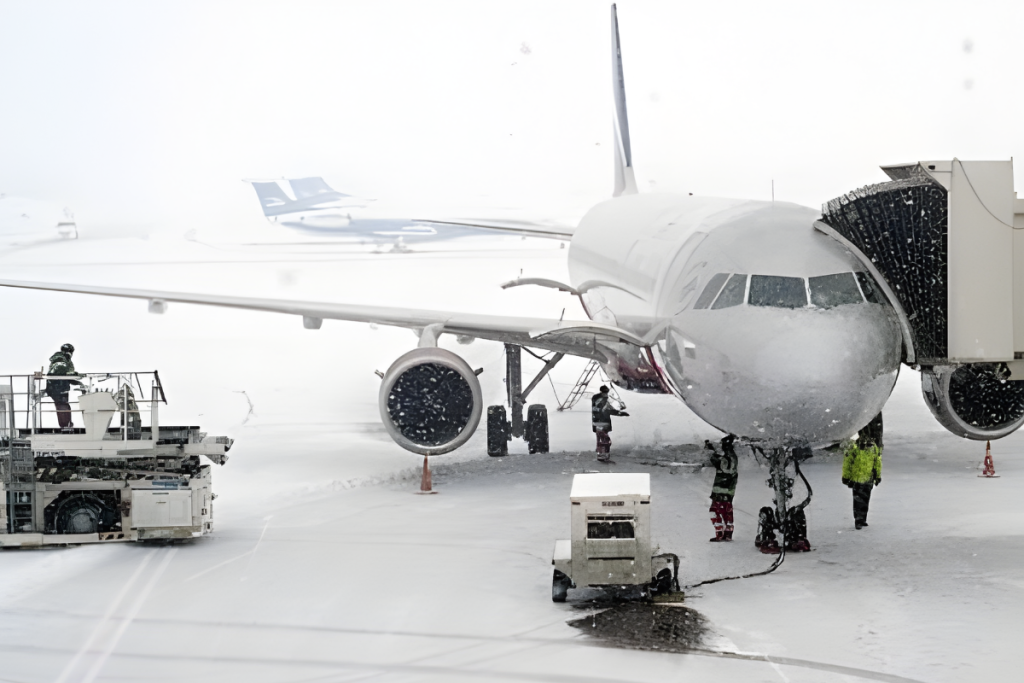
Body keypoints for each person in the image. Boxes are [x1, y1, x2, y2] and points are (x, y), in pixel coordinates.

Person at [842, 429, 882, 529]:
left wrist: (877, 476)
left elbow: (877, 462)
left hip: (865, 478)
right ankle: (859, 519)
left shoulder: (872, 447)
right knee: (860, 499)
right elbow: (848, 463)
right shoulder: (857, 448)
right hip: (859, 479)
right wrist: (846, 477)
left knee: (863, 499)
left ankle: (861, 518)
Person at [706, 434, 738, 542]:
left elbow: (713, 457)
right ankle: (728, 534)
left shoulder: (721, 467)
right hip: (727, 495)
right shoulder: (733, 468)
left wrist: (709, 447)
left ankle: (720, 533)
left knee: (714, 512)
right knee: (727, 514)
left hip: (719, 494)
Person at [45, 343, 83, 429]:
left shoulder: (66, 362)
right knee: (62, 407)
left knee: (65, 406)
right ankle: (65, 425)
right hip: (56, 389)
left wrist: (79, 383)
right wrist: (75, 374)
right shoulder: (59, 361)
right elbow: (62, 374)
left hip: (62, 389)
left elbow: (67, 377)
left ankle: (67, 424)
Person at [591, 385, 628, 463]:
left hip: (596, 422)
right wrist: (622, 413)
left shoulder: (595, 399)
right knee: (606, 441)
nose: (606, 394)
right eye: (606, 392)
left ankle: (600, 452)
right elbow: (610, 410)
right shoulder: (603, 400)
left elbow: (604, 409)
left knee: (599, 438)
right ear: (603, 392)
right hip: (603, 423)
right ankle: (604, 455)